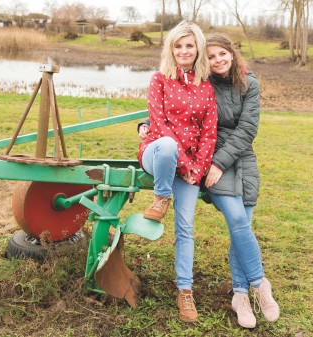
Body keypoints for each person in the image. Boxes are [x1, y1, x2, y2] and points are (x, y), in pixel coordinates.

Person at [137, 21, 218, 323]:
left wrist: (196, 169)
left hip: (191, 168)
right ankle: (160, 197)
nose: (184, 50)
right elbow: (158, 125)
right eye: (178, 45)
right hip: (158, 155)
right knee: (169, 144)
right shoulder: (160, 80)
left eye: (189, 45)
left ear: (197, 49)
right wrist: (184, 164)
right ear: (171, 50)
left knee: (185, 227)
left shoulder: (206, 88)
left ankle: (184, 290)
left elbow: (209, 133)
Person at [203, 33, 279, 328]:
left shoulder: (249, 83)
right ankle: (260, 284)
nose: (218, 60)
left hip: (242, 160)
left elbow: (248, 128)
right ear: (204, 61)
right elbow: (176, 110)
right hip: (212, 161)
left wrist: (224, 162)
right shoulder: (202, 84)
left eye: (222, 53)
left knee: (242, 226)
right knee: (237, 219)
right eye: (210, 56)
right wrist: (146, 124)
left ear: (231, 54)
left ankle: (240, 295)